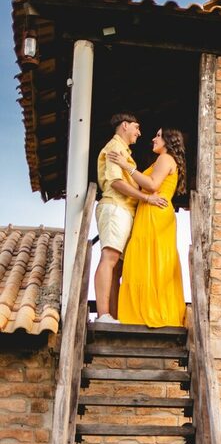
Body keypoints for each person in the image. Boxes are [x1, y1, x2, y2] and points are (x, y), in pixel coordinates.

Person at [108, 128, 187, 328]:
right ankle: (147, 310)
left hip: (155, 212)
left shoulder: (165, 159)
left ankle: (146, 313)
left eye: (158, 135)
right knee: (151, 260)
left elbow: (152, 185)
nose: (153, 138)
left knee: (149, 260)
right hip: (151, 211)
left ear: (168, 140)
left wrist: (126, 166)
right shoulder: (163, 160)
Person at [94, 113, 168, 323]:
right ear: (125, 126)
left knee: (117, 266)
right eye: (137, 127)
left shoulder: (125, 152)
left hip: (125, 210)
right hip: (115, 207)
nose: (139, 133)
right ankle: (103, 315)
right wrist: (146, 198)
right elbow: (116, 182)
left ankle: (113, 315)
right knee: (109, 258)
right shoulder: (115, 148)